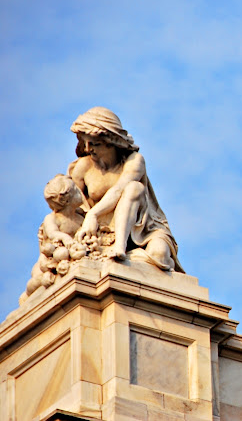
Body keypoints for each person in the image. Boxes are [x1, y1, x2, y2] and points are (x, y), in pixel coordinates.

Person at [68, 107, 183, 272]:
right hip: (101, 233)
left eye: (95, 143)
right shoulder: (83, 168)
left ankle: (121, 249)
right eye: (84, 142)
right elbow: (71, 207)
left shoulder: (134, 161)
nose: (88, 149)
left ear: (112, 142)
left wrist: (93, 213)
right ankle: (128, 258)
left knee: (160, 254)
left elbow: (119, 190)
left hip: (143, 229)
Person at [20, 175, 85, 304]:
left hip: (67, 257)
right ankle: (25, 300)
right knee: (34, 285)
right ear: (66, 201)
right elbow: (52, 232)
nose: (81, 192)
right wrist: (65, 238)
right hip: (47, 262)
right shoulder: (53, 218)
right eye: (76, 191)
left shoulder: (80, 218)